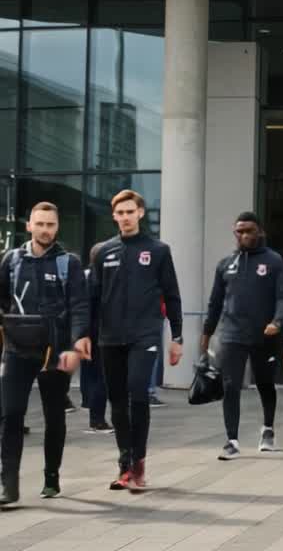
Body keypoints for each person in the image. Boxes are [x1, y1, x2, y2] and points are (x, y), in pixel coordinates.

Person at [90, 189, 183, 491]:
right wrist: (82, 337)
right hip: (110, 338)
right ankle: (124, 464)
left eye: (131, 211)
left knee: (137, 394)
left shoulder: (158, 250)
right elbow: (92, 298)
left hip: (145, 335)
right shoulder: (103, 251)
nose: (126, 217)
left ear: (141, 213)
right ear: (114, 216)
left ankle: (138, 465)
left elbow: (172, 295)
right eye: (121, 213)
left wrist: (177, 336)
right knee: (117, 401)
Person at [0, 202, 90, 503]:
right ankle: (8, 486)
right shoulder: (11, 260)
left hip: (55, 351)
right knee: (11, 414)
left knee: (54, 416)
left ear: (57, 227)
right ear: (29, 226)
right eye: (39, 224)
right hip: (17, 350)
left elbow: (79, 305)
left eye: (50, 225)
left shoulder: (69, 263)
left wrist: (77, 343)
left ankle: (51, 478)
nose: (45, 230)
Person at [203, 212, 283, 460]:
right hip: (232, 334)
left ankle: (268, 429)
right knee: (231, 386)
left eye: (248, 230)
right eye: (239, 231)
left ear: (259, 231)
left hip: (264, 335)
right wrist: (207, 334)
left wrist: (277, 321)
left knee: (265, 384)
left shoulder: (273, 261)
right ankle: (231, 440)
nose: (243, 235)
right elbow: (215, 302)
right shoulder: (226, 263)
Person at [80, 241, 112, 433]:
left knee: (90, 372)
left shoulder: (85, 275)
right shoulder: (101, 278)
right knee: (102, 375)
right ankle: (97, 418)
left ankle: (89, 404)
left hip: (87, 332)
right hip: (101, 332)